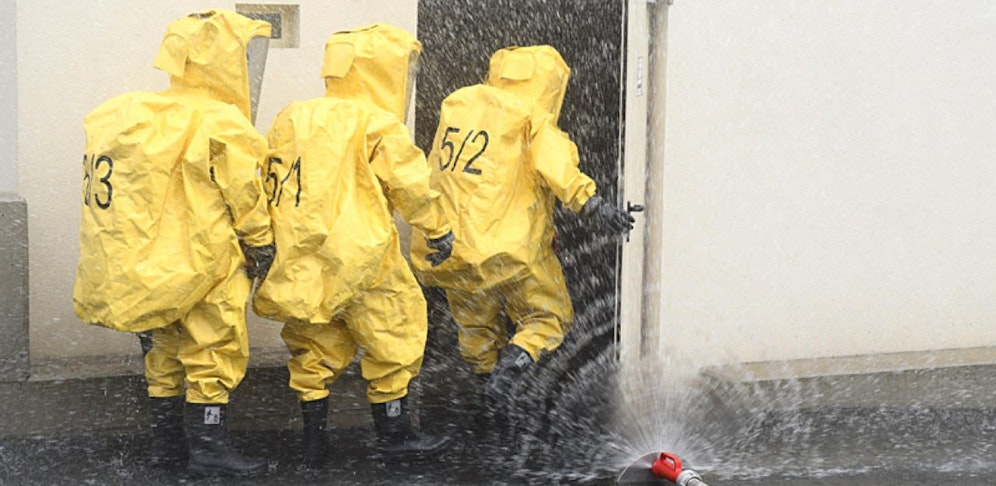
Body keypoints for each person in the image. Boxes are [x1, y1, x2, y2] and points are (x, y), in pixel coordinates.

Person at [73, 9, 275, 477]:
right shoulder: (220, 121)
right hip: (207, 260)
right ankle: (208, 449)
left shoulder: (128, 112)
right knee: (213, 348)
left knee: (163, 348)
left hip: (151, 265)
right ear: (223, 59)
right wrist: (261, 243)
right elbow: (244, 192)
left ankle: (166, 446)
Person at [252, 24, 453, 466]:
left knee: (313, 341)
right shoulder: (376, 123)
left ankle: (313, 443)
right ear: (381, 69)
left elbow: (272, 177)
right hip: (361, 253)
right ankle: (395, 437)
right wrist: (438, 229)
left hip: (300, 251)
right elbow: (410, 184)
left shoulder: (293, 115)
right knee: (395, 333)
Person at [410, 45, 634, 413]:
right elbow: (558, 168)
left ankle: (491, 404)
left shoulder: (460, 108)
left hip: (452, 252)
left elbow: (437, 173)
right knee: (548, 317)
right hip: (510, 252)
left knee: (476, 330)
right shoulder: (531, 118)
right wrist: (595, 205)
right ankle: (511, 370)